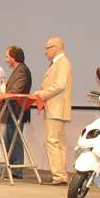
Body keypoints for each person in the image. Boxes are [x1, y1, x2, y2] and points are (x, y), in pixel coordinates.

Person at [36, 37, 73, 185]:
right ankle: (61, 175)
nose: (46, 51)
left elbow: (59, 85)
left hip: (56, 108)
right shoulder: (60, 62)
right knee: (58, 142)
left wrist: (42, 94)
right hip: (56, 108)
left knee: (51, 141)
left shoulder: (62, 62)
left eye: (47, 48)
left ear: (55, 48)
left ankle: (58, 175)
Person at [2, 46, 33, 178]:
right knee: (8, 138)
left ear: (14, 58)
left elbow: (16, 91)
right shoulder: (18, 70)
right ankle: (13, 168)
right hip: (12, 110)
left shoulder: (22, 70)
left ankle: (17, 170)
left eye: (8, 56)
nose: (6, 59)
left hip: (17, 110)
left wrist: (4, 93)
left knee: (15, 139)